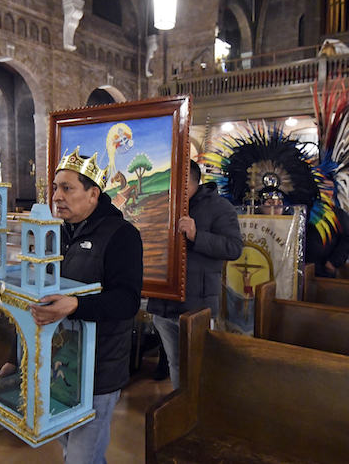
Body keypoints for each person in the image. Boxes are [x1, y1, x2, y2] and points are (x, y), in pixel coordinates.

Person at [29, 150, 143, 464]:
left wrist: (76, 305)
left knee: (82, 456)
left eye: (67, 188)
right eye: (55, 187)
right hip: (60, 366)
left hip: (99, 368)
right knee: (71, 448)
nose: (57, 196)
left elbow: (127, 301)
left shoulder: (121, 235)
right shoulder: (56, 233)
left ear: (93, 194)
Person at [147, 160, 243, 389]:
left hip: (196, 304)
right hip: (162, 303)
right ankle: (181, 405)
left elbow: (234, 248)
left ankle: (200, 408)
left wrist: (196, 235)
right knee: (175, 363)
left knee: (199, 365)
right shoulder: (163, 204)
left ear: (188, 182)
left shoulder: (220, 207)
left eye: (173, 182)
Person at [306, 206, 349, 277]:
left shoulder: (336, 213)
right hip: (298, 269)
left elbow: (348, 238)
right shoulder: (296, 208)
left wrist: (334, 262)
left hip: (322, 271)